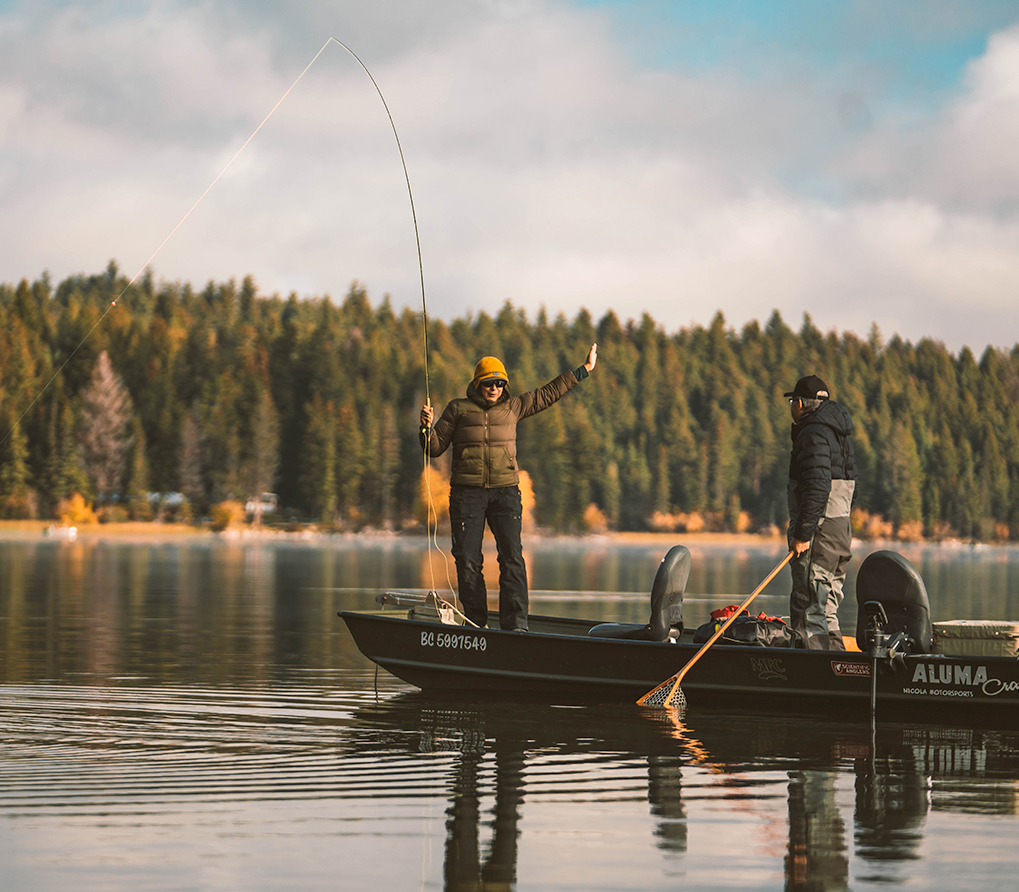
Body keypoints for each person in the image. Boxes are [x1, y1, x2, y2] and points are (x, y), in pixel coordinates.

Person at [420, 344, 598, 630]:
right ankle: (475, 624)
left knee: (512, 559)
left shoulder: (514, 407)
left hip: (505, 494)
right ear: (478, 383)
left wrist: (584, 370)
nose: (495, 388)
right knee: (467, 563)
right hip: (467, 495)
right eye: (490, 383)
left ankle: (516, 626)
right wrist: (425, 428)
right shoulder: (458, 409)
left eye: (500, 383)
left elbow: (549, 393)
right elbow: (434, 448)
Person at [784, 374, 857, 650]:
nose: (791, 407)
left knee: (810, 605)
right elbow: (853, 486)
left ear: (801, 403)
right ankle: (837, 670)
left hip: (819, 533)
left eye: (792, 401)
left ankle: (815, 677)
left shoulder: (812, 432)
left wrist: (803, 533)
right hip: (840, 530)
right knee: (826, 605)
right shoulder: (837, 433)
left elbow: (817, 485)